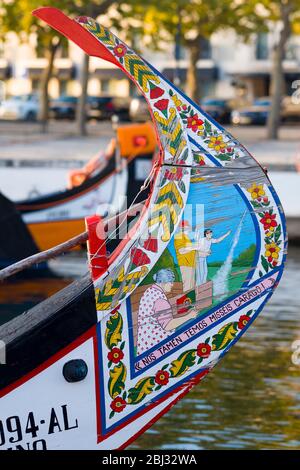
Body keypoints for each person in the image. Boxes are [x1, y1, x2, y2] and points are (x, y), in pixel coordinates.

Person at [136, 268, 197, 355]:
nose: (172, 285)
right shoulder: (160, 299)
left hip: (145, 347)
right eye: (171, 282)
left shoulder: (149, 292)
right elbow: (168, 325)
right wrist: (189, 316)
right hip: (158, 347)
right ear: (164, 282)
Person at [174, 220, 198, 292]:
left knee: (191, 285)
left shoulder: (186, 237)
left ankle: (191, 302)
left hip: (191, 263)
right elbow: (181, 251)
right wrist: (194, 246)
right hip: (185, 264)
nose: (189, 229)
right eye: (187, 227)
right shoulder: (179, 236)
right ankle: (186, 303)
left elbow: (191, 250)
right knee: (188, 286)